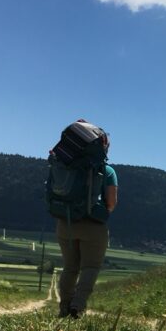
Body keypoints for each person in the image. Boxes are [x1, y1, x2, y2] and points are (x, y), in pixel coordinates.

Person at [52, 120, 118, 319]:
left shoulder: (62, 165)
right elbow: (111, 204)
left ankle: (64, 307)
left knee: (70, 267)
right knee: (90, 267)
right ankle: (77, 308)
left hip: (66, 223)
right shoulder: (107, 171)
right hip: (93, 226)